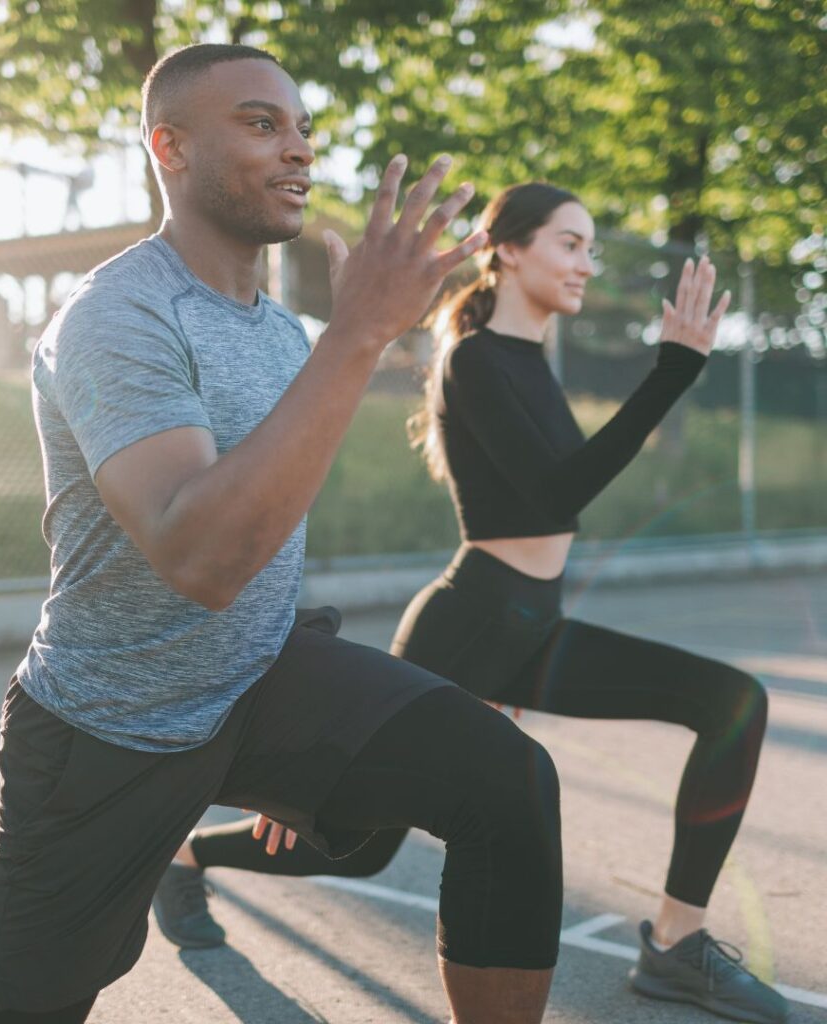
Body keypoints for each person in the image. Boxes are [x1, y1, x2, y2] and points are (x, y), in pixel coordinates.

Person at [0, 47, 565, 1024]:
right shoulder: (115, 318)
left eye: (300, 128)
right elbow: (200, 558)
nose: (296, 149)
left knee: (504, 779)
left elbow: (271, 540)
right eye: (260, 124)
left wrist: (317, 734)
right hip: (105, 727)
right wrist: (358, 336)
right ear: (169, 146)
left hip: (256, 682)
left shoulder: (283, 334)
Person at [154, 183, 790, 1024]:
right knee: (357, 849)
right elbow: (559, 492)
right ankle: (187, 857)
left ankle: (675, 944)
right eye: (570, 243)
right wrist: (672, 371)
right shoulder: (476, 358)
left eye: (591, 247)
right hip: (469, 625)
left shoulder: (529, 363)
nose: (586, 264)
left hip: (537, 625)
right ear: (510, 249)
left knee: (732, 702)